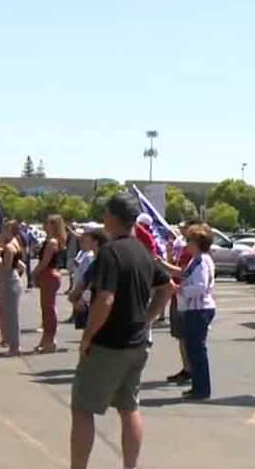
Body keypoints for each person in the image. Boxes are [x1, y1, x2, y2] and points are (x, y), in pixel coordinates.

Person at [70, 193, 173, 469]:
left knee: (82, 408)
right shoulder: (142, 251)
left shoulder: (111, 253)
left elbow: (105, 299)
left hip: (109, 345)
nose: (103, 218)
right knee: (129, 408)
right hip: (136, 344)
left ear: (113, 217)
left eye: (105, 213)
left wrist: (88, 336)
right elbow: (167, 287)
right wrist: (147, 319)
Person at [158, 224, 217, 400]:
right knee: (194, 350)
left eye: (189, 241)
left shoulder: (202, 261)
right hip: (194, 308)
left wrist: (179, 290)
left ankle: (201, 389)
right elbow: (185, 274)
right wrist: (163, 265)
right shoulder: (197, 259)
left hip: (198, 309)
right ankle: (198, 387)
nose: (186, 244)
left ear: (198, 243)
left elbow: (200, 286)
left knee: (197, 351)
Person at [165, 220, 196, 385]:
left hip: (185, 296)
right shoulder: (182, 246)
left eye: (185, 227)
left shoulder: (194, 253)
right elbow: (175, 266)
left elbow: (185, 273)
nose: (181, 230)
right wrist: (167, 257)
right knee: (180, 335)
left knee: (186, 335)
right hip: (177, 294)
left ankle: (191, 370)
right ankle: (186, 368)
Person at [31, 214, 67, 353]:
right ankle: (45, 339)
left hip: (49, 274)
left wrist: (34, 274)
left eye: (48, 223)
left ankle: (50, 341)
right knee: (46, 309)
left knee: (48, 309)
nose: (45, 226)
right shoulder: (51, 240)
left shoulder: (52, 242)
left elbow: (45, 261)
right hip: (49, 275)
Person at [68, 227, 109, 329]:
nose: (82, 241)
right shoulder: (91, 256)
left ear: (95, 242)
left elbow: (92, 281)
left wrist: (82, 298)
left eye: (87, 239)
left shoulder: (100, 259)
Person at [0, 220, 26, 357]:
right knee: (9, 314)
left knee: (12, 315)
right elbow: (22, 266)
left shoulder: (9, 247)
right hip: (13, 279)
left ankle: (15, 346)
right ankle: (12, 343)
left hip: (9, 280)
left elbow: (6, 268)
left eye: (5, 228)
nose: (2, 231)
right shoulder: (15, 243)